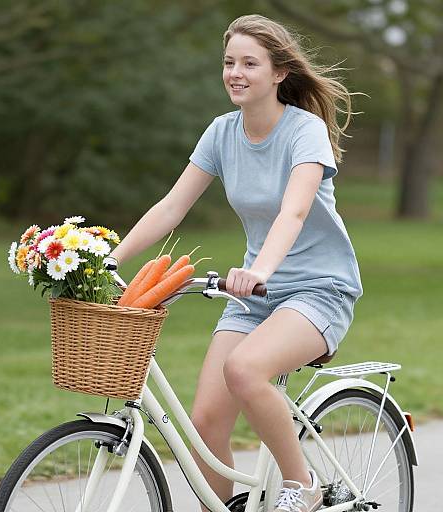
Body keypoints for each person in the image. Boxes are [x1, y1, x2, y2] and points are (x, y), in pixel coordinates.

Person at [109, 13, 363, 512]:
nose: (236, 72)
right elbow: (171, 207)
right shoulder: (222, 133)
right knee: (205, 423)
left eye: (250, 62)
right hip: (251, 297)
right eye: (229, 62)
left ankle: (303, 485)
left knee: (245, 370)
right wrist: (107, 259)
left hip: (318, 289)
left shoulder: (303, 131)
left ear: (278, 73)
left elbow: (294, 210)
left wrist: (262, 270)